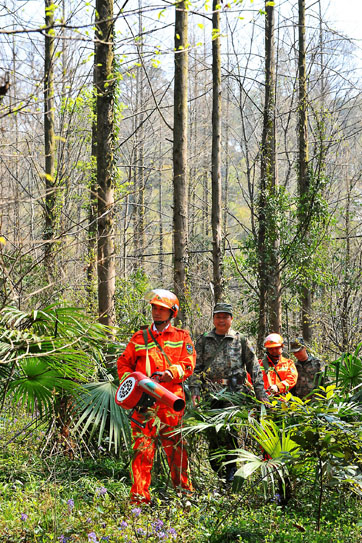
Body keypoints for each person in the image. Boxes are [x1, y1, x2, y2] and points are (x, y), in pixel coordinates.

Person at [117, 289, 196, 504]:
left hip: (171, 401)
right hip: (144, 404)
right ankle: (139, 500)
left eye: (162, 309)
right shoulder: (139, 337)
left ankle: (184, 495)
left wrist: (172, 372)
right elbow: (124, 363)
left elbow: (189, 363)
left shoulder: (182, 337)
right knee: (142, 452)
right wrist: (131, 381)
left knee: (177, 450)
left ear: (172, 313)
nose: (157, 312)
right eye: (154, 308)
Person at [190, 302, 268, 483]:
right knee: (212, 432)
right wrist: (195, 390)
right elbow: (196, 367)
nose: (222, 320)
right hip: (211, 393)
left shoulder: (240, 340)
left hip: (234, 392)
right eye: (218, 316)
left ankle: (232, 470)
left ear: (231, 319)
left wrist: (260, 392)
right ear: (213, 319)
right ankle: (218, 469)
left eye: (225, 317)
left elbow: (254, 366)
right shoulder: (203, 340)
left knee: (230, 430)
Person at [253, 333, 298, 398]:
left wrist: (278, 387)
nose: (274, 351)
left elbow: (292, 379)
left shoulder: (288, 363)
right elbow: (251, 380)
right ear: (267, 350)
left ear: (282, 347)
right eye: (271, 348)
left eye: (276, 348)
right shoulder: (259, 364)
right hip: (264, 400)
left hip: (283, 401)